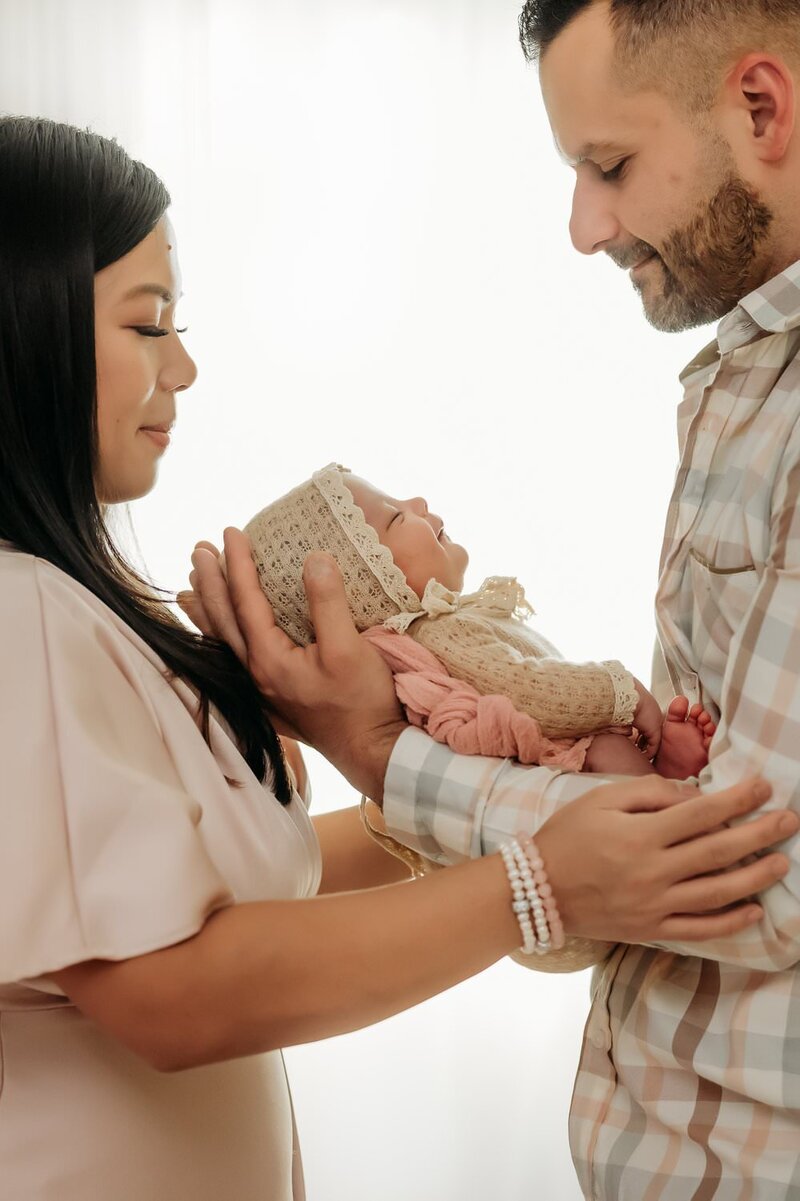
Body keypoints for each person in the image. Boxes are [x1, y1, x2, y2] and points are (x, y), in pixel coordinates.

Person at [2, 114, 791, 1201]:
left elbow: (220, 897)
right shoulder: (19, 609)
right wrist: (539, 881)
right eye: (148, 325)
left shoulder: (70, 611)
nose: (183, 366)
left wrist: (404, 779)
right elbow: (166, 992)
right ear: (24, 336)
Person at [241, 462, 716, 784]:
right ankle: (671, 805)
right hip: (567, 771)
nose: (420, 502)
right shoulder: (435, 633)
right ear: (371, 587)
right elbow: (528, 694)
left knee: (609, 755)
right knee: (605, 757)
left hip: (568, 759)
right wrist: (622, 692)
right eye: (395, 517)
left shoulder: (449, 622)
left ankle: (662, 774)